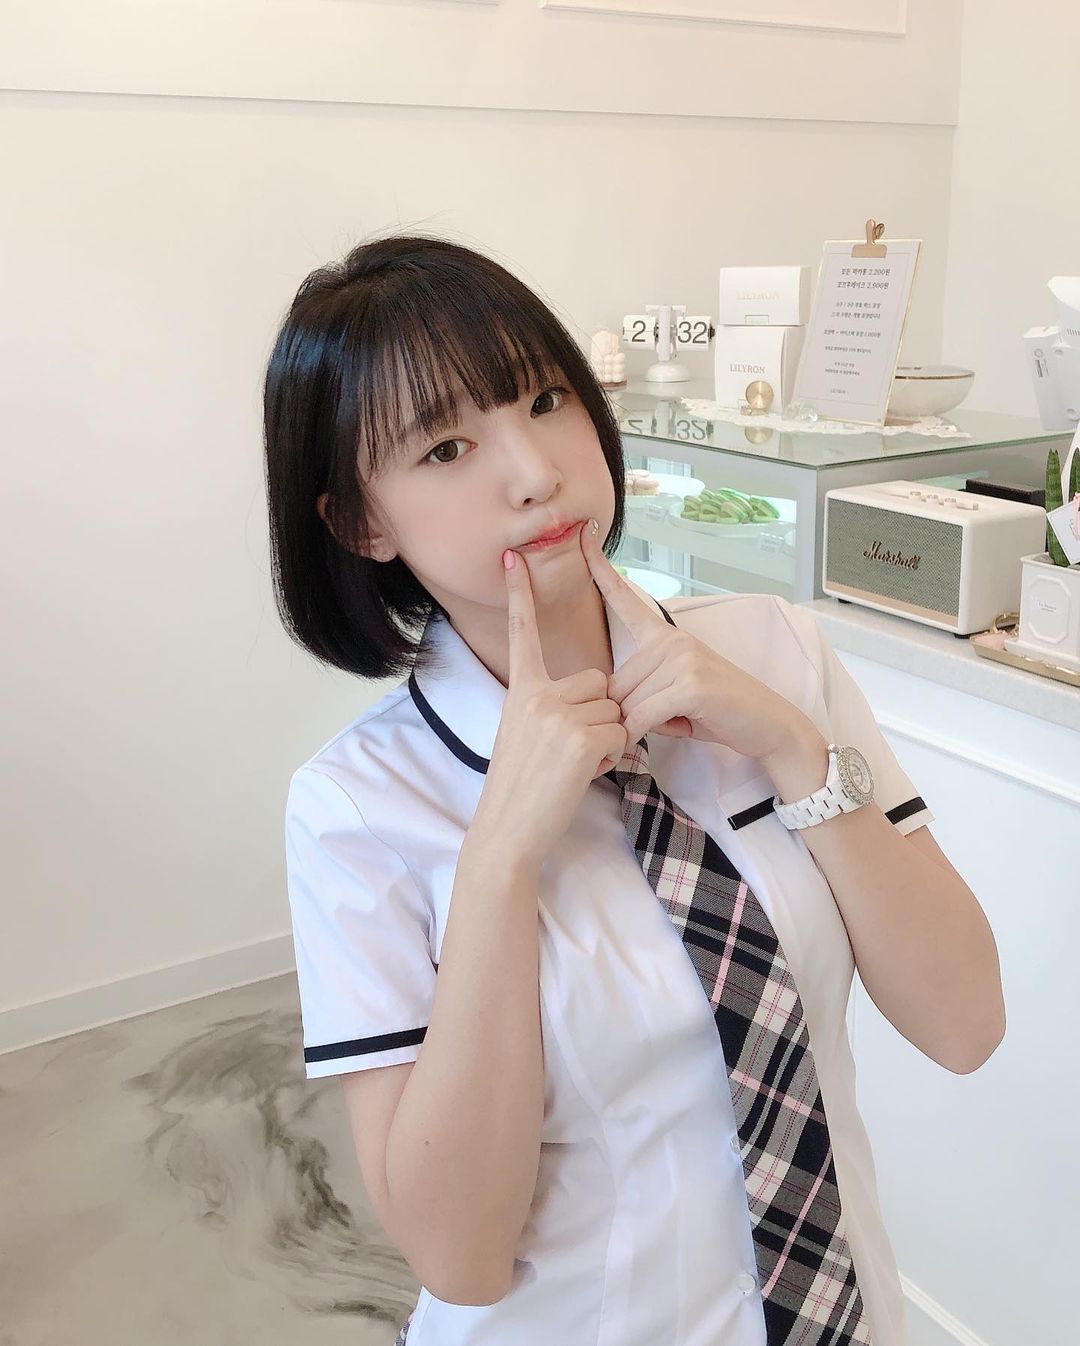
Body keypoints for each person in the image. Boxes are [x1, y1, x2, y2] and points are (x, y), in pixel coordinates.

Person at [262, 233, 1005, 1346]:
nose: (534, 471)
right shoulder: (357, 806)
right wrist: (500, 856)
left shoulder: (775, 652)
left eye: (545, 398)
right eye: (447, 447)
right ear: (361, 521)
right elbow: (460, 1256)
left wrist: (796, 749)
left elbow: (966, 1023)